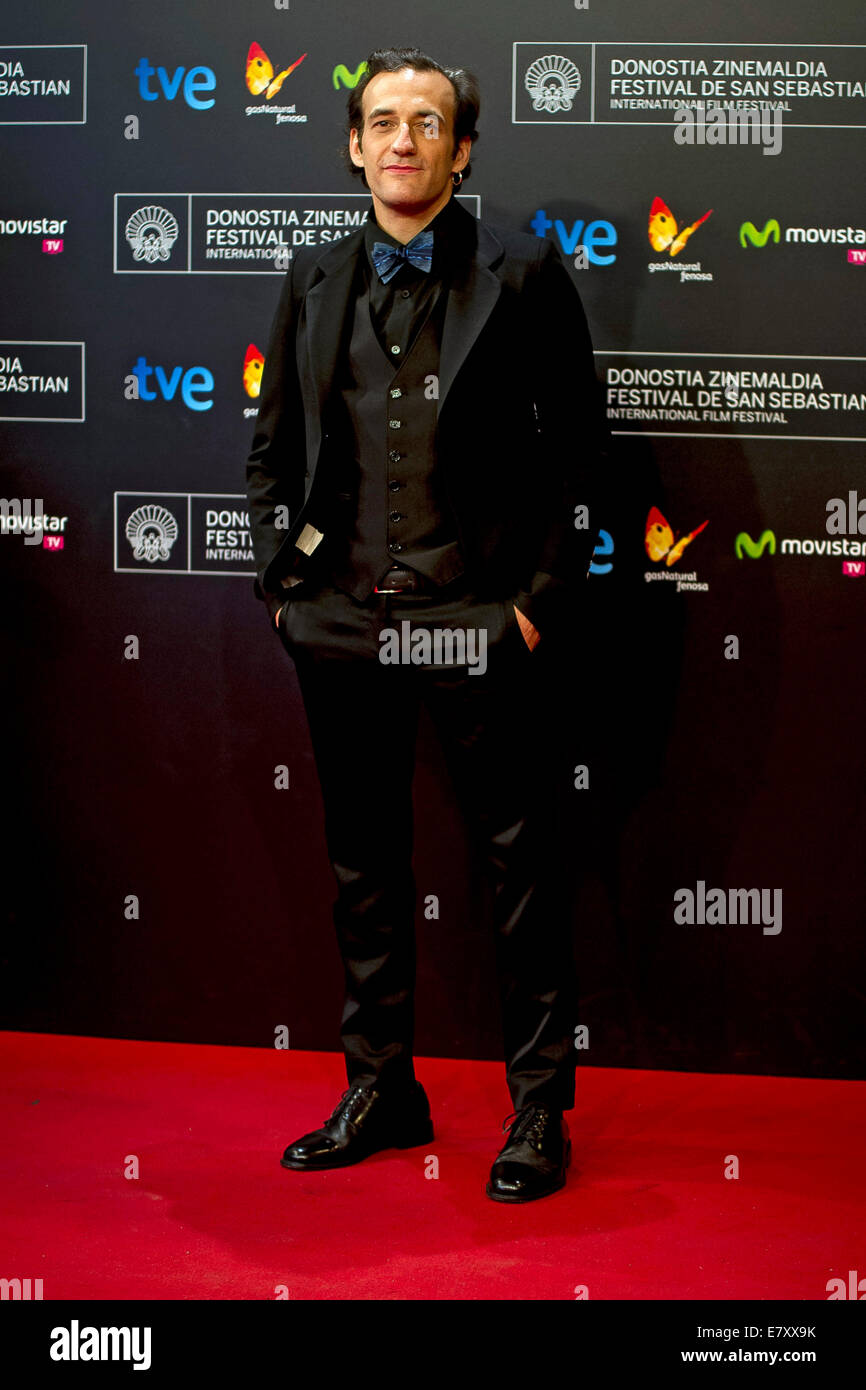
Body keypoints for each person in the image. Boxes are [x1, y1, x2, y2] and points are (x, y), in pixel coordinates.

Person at [245, 46, 607, 1202]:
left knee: (516, 867)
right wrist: (285, 589)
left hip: (471, 616)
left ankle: (537, 1110)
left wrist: (534, 608)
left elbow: (579, 455)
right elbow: (272, 450)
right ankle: (381, 1089)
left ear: (461, 148)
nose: (403, 140)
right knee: (363, 866)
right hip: (343, 619)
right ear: (353, 145)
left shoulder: (523, 273)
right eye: (383, 122)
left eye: (428, 123)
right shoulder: (309, 278)